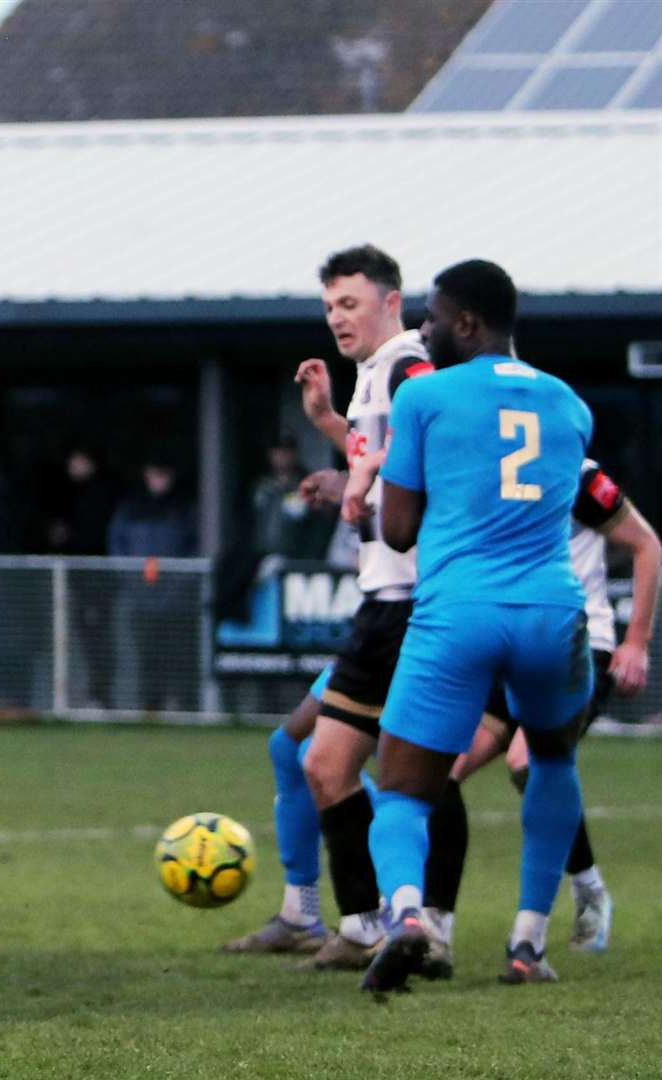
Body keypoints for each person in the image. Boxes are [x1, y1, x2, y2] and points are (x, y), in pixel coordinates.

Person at [351, 259, 595, 992]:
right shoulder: (570, 404)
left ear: (467, 322)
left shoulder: (426, 397)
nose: (422, 333)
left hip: (459, 609)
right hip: (553, 611)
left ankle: (405, 915)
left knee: (399, 786)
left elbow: (396, 532)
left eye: (431, 317)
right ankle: (528, 942)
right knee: (550, 761)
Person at [279, 244, 452, 973]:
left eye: (349, 304)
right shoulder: (374, 377)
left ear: (392, 301)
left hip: (412, 600)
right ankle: (364, 924)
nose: (337, 319)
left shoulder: (409, 364)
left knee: (411, 771)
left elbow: (431, 433)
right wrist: (329, 429)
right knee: (326, 762)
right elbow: (376, 448)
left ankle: (414, 925)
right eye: (328, 307)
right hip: (387, 602)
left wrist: (365, 483)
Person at [426, 462, 657, 958]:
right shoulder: (479, 466)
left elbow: (646, 543)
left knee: (527, 762)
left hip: (576, 641)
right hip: (506, 643)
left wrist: (636, 641)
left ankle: (570, 904)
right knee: (436, 773)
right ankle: (433, 929)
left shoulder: (575, 470)